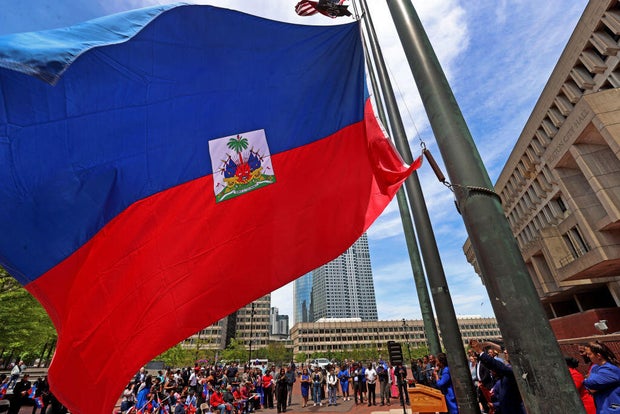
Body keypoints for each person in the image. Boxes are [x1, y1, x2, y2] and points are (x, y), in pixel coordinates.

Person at [470, 340, 525, 414]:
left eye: (508, 351)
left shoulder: (515, 370)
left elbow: (496, 365)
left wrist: (480, 352)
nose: (505, 352)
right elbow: (492, 366)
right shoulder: (505, 372)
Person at [583, 341, 620, 414]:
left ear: (598, 355)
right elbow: (591, 388)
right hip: (602, 407)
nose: (587, 356)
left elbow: (592, 384)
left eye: (589, 354)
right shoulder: (595, 367)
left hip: (613, 409)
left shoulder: (610, 369)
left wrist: (584, 380)